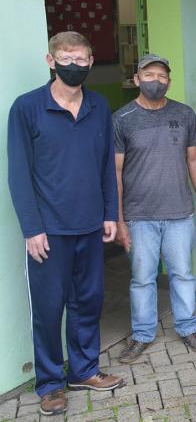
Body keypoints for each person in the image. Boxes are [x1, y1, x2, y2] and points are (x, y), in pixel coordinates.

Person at [8, 31, 124, 416]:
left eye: (81, 58)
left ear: (91, 62)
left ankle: (84, 370)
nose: (74, 65)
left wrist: (110, 213)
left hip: (90, 226)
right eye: (66, 57)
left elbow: (107, 165)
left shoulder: (98, 107)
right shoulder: (27, 109)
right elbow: (19, 174)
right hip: (49, 231)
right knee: (48, 307)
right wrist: (31, 228)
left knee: (87, 302)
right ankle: (51, 383)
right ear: (50, 60)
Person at [113, 54, 196, 363]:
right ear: (136, 79)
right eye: (149, 75)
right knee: (142, 278)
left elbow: (195, 160)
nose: (155, 81)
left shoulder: (184, 114)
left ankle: (188, 328)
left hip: (179, 213)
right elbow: (114, 173)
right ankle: (142, 334)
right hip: (139, 216)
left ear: (169, 81)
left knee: (182, 274)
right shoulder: (121, 119)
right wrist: (118, 219)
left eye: (161, 76)